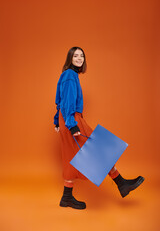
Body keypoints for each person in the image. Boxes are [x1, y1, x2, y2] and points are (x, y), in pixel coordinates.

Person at [54, 46, 144, 210]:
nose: (80, 58)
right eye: (76, 56)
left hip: (68, 119)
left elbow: (60, 101)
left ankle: (66, 197)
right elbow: (66, 102)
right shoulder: (69, 75)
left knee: (71, 158)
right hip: (72, 119)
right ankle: (121, 183)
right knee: (98, 147)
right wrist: (72, 125)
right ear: (70, 59)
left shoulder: (70, 75)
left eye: (82, 56)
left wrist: (57, 121)